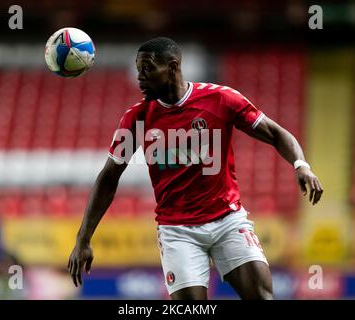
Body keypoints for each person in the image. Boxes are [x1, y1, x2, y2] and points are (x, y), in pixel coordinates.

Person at [68, 37, 323, 300]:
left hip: (227, 221)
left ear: (173, 66)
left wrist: (301, 165)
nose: (140, 77)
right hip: (177, 232)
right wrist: (83, 239)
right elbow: (109, 178)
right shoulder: (136, 119)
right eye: (138, 69)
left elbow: (277, 134)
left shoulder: (221, 100)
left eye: (147, 68)